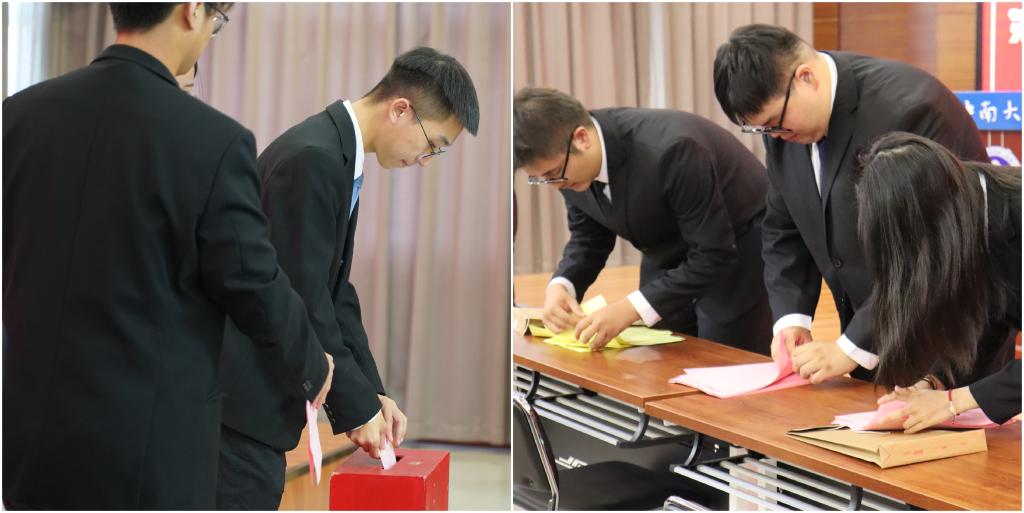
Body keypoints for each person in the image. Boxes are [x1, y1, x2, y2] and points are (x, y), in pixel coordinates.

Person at [3, 4, 334, 509]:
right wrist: (313, 365)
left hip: (31, 440)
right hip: (145, 450)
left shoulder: (18, 115)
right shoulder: (214, 140)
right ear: (191, 10)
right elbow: (253, 283)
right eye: (217, 19)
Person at [216, 47, 479, 509]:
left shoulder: (336, 153)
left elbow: (335, 292)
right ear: (401, 110)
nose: (426, 159)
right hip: (240, 406)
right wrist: (356, 408)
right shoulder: (313, 158)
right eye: (433, 144)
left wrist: (372, 393)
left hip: (256, 403)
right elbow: (303, 298)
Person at [712, 24, 989, 382]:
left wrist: (853, 345)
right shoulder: (784, 129)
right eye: (763, 130)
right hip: (868, 341)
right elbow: (784, 228)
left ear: (806, 77)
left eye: (775, 123)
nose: (776, 136)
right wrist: (791, 318)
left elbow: (935, 251)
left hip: (946, 341)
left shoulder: (913, 108)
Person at [514, 87, 773, 354]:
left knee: (723, 356)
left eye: (554, 173)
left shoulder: (672, 148)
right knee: (663, 352)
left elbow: (714, 252)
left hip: (739, 244)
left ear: (582, 138)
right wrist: (562, 285)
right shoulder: (570, 170)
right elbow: (588, 239)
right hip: (669, 248)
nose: (555, 185)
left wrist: (629, 308)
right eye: (542, 179)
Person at [854, 132, 1021, 433]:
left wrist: (954, 402)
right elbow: (988, 318)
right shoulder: (972, 207)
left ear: (936, 223)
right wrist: (932, 384)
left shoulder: (1014, 212)